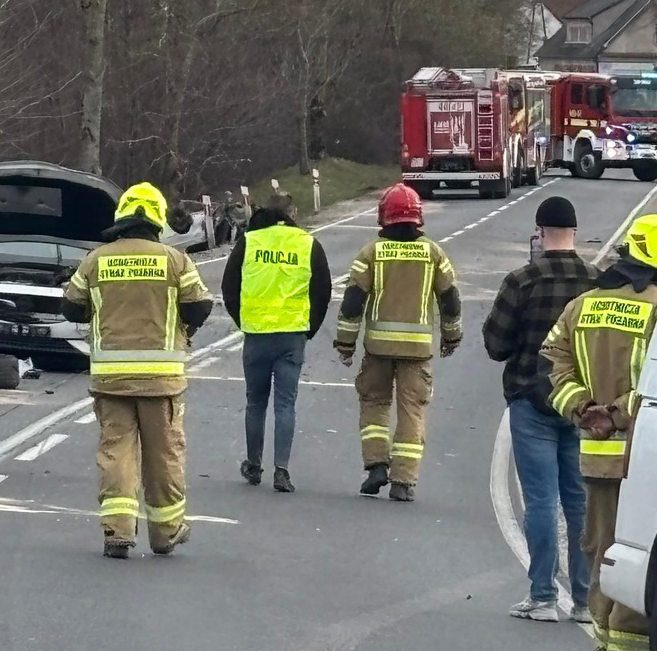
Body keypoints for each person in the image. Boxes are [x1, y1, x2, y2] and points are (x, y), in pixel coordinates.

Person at [542, 213, 657, 651]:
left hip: (595, 454)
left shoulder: (581, 307)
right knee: (639, 554)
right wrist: (618, 413)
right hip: (644, 458)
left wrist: (583, 411)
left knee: (601, 550)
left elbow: (556, 372)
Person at [62, 181, 213, 558]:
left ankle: (117, 532)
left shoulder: (97, 259)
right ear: (159, 218)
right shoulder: (175, 260)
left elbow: (70, 308)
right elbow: (199, 307)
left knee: (116, 454)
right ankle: (165, 533)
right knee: (164, 456)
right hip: (160, 382)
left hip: (112, 380)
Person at [481, 196, 598, 624]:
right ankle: (585, 601)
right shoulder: (597, 283)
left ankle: (544, 596)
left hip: (532, 402)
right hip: (584, 407)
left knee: (541, 501)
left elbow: (495, 346)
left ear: (539, 232)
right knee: (580, 501)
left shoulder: (521, 281)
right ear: (575, 231)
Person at [332, 183, 461, 501]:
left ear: (383, 217)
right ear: (418, 218)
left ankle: (376, 465)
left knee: (374, 404)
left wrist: (345, 344)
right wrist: (451, 336)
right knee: (412, 413)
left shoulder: (371, 253)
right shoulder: (434, 254)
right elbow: (450, 300)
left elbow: (352, 303)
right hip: (418, 353)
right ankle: (403, 482)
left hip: (377, 349)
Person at [219, 201, 332, 492]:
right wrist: (309, 330)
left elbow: (229, 287)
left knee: (255, 402)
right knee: (286, 404)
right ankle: (282, 470)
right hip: (292, 335)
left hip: (257, 334)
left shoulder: (249, 242)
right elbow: (322, 291)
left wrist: (243, 321)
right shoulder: (308, 244)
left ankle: (254, 465)